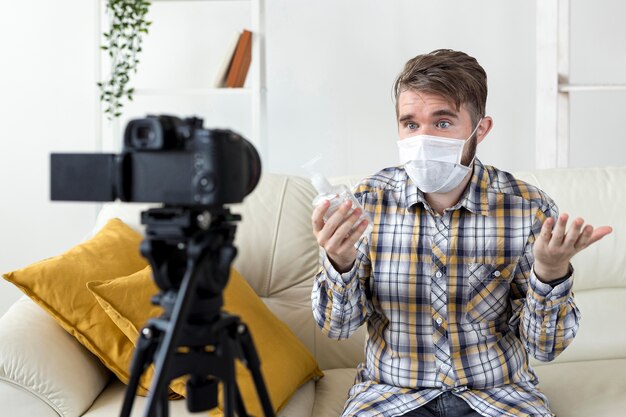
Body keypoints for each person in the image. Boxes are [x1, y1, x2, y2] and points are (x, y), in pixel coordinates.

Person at [310, 49, 613, 417]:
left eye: (442, 123)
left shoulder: (527, 208)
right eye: (410, 124)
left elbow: (545, 348)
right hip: (390, 395)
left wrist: (550, 273)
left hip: (498, 396)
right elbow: (337, 328)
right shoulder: (365, 204)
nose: (422, 138)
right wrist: (339, 264)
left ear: (479, 129)